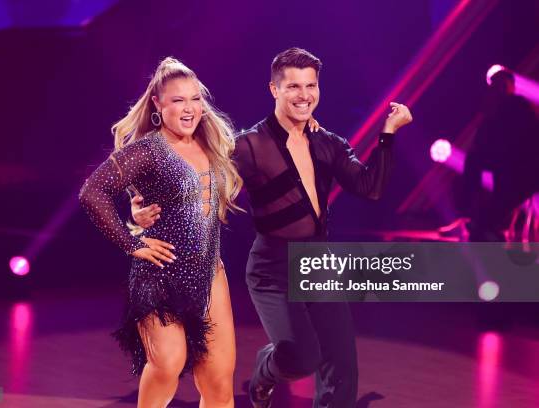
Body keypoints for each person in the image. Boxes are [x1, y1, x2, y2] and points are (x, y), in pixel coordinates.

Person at [132, 48, 412, 408]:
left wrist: (388, 133)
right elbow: (196, 176)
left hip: (319, 260)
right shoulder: (249, 145)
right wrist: (141, 208)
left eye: (311, 86)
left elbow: (370, 187)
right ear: (274, 89)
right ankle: (266, 370)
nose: (304, 95)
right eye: (293, 86)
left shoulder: (327, 143)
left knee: (342, 365)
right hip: (273, 267)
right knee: (302, 357)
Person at [79, 57, 242, 408]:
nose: (189, 108)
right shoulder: (148, 149)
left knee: (218, 384)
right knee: (168, 365)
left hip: (210, 276)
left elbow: (267, 140)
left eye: (195, 99)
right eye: (178, 100)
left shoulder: (215, 145)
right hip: (159, 275)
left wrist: (302, 123)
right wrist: (131, 242)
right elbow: (93, 192)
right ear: (158, 104)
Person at [461, 68, 539, 241]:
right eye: (497, 85)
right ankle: (482, 225)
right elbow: (480, 149)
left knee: (500, 202)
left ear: (510, 86)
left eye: (503, 84)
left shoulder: (516, 106)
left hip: (521, 167)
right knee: (499, 202)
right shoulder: (492, 114)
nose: (500, 89)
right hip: (510, 168)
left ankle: (482, 225)